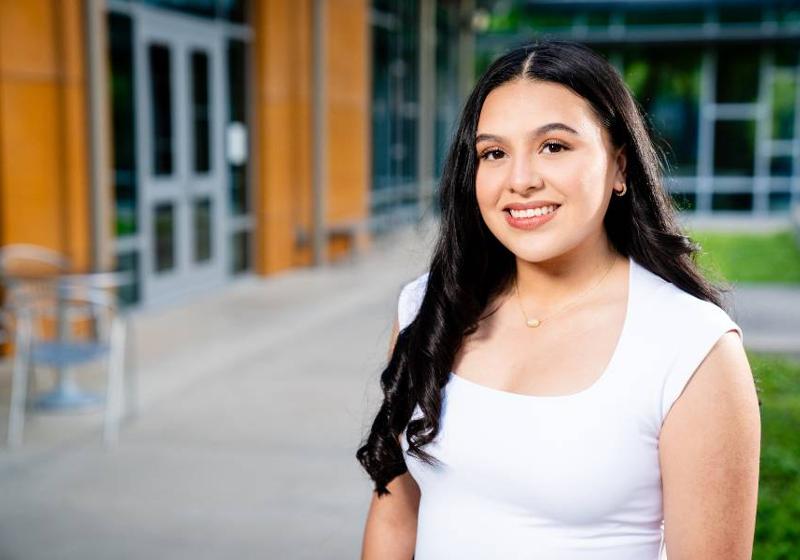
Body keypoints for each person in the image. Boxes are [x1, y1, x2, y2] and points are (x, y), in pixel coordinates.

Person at [356, 39, 760, 560]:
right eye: (494, 153)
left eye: (554, 146)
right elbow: (394, 517)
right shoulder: (428, 309)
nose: (520, 180)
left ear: (620, 167)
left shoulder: (690, 349)